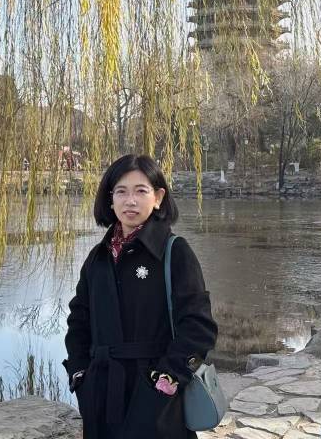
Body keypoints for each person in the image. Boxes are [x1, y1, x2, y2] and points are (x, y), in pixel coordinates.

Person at [63, 154, 218, 439]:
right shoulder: (98, 258)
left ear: (158, 197)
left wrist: (166, 379)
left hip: (155, 395)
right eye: (121, 192)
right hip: (101, 391)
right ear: (110, 200)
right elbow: (79, 320)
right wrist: (80, 374)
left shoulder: (174, 252)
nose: (130, 201)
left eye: (140, 191)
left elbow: (198, 327)